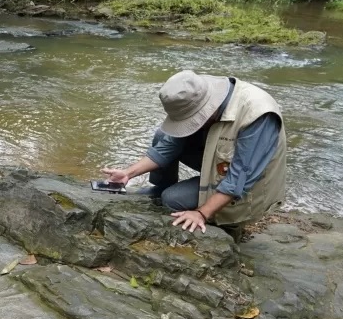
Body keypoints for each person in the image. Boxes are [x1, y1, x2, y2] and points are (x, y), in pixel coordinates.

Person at [102, 70, 286, 238]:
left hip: (250, 185)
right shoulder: (196, 90)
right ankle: (160, 189)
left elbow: (239, 180)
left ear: (208, 107)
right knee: (163, 135)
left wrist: (200, 213)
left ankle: (230, 227)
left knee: (172, 199)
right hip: (221, 161)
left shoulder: (258, 115)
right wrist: (128, 173)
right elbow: (167, 147)